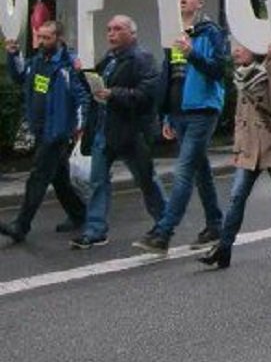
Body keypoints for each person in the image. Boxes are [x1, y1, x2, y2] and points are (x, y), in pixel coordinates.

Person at [134, 0, 229, 253]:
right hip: (177, 113)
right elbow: (170, 74)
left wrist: (193, 54)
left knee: (184, 170)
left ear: (200, 2)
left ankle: (163, 232)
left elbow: (219, 70)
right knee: (200, 169)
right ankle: (214, 224)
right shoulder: (173, 34)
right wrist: (165, 113)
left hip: (202, 109)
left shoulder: (210, 32)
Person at [199, 43, 271, 269]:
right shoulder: (240, 77)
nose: (235, 51)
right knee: (237, 197)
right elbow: (240, 118)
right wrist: (238, 148)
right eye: (233, 47)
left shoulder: (267, 73)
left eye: (241, 47)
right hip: (248, 149)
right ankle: (223, 249)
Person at [73, 15, 166, 249]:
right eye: (109, 29)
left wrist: (115, 94)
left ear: (132, 34)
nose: (111, 34)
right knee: (97, 181)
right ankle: (95, 230)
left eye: (117, 29)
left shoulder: (141, 58)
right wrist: (82, 74)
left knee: (146, 179)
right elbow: (97, 89)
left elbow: (148, 94)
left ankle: (165, 221)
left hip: (130, 131)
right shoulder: (109, 59)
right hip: (104, 129)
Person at [1, 22, 88, 243]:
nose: (41, 42)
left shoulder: (69, 65)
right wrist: (13, 55)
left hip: (58, 132)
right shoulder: (38, 61)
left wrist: (79, 127)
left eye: (47, 38)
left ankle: (21, 225)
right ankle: (80, 214)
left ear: (58, 39)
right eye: (40, 37)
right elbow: (21, 76)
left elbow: (81, 98)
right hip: (42, 129)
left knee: (38, 177)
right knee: (59, 178)